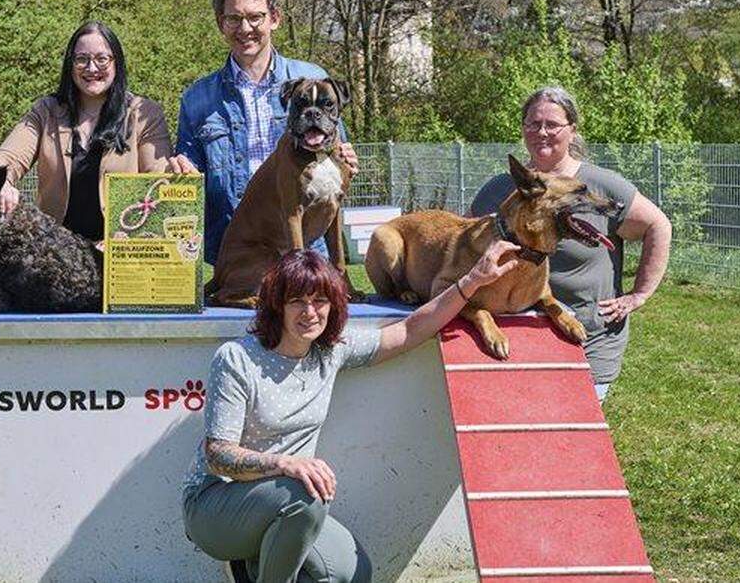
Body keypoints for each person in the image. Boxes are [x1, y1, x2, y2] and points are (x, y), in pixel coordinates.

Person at [181, 244, 521, 583]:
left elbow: (409, 330)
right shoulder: (237, 358)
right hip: (217, 506)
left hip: (288, 505)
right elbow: (218, 455)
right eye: (297, 301)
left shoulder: (328, 354)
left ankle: (253, 567)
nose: (310, 312)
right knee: (304, 494)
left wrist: (472, 282)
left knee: (351, 573)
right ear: (276, 305)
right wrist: (285, 463)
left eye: (320, 301)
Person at [468, 86, 672, 402]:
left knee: (572, 435)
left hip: (586, 339)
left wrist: (639, 295)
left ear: (572, 130)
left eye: (553, 124)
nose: (542, 132)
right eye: (533, 124)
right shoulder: (501, 190)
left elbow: (658, 225)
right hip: (513, 335)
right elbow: (463, 239)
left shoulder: (600, 186)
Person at [165, 0, 359, 265]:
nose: (245, 28)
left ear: (275, 19)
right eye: (234, 19)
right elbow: (188, 171)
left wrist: (347, 160)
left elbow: (338, 152)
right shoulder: (197, 98)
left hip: (309, 251)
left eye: (255, 17)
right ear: (221, 24)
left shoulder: (313, 81)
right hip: (241, 250)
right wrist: (180, 170)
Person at [0, 21, 171, 241]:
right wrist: (2, 184)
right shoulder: (46, 111)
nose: (91, 68)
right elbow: (2, 159)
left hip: (119, 254)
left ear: (116, 62)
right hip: (55, 254)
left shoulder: (145, 114)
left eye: (102, 59)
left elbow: (158, 182)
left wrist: (122, 239)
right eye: (82, 59)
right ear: (70, 65)